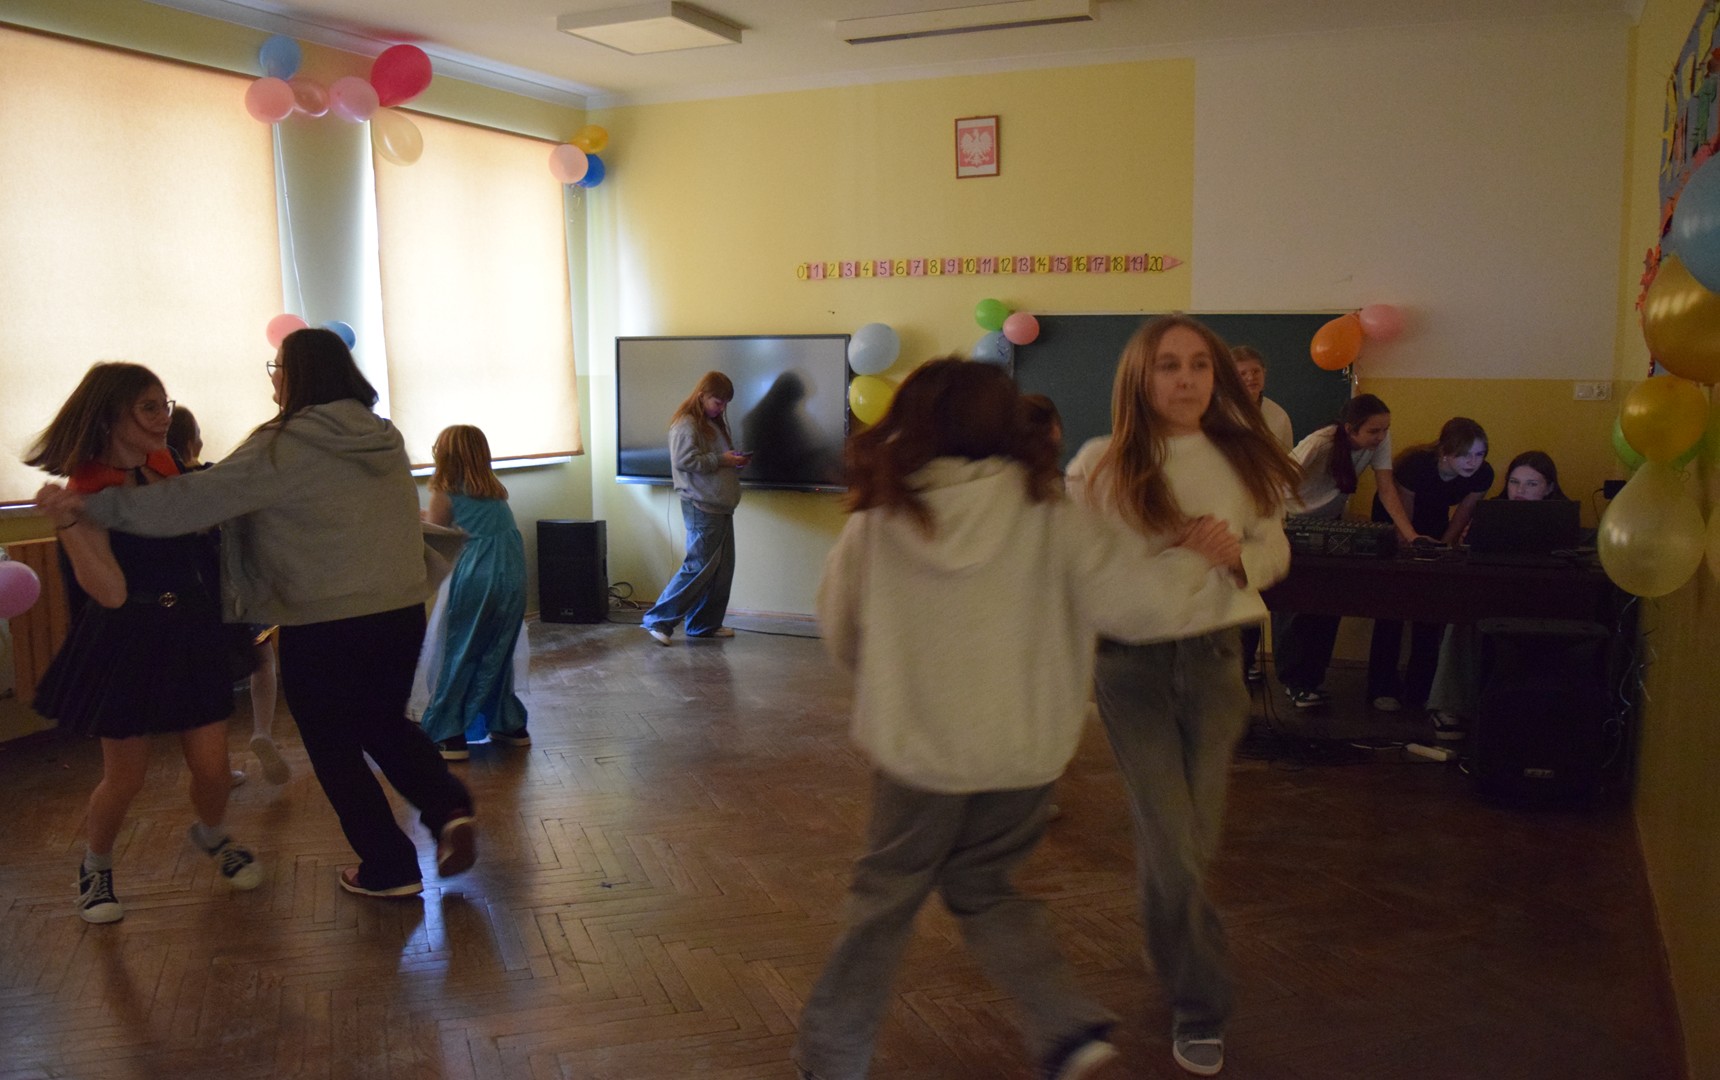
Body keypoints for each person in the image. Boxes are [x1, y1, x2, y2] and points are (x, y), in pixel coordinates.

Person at [794, 359, 1242, 1080]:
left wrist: (896, 689)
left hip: (918, 756)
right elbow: (1137, 606)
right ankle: (1063, 1026)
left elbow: (842, 632)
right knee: (985, 888)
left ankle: (831, 1058)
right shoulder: (1053, 516)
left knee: (883, 901)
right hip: (1025, 755)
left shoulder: (881, 520)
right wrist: (1191, 560)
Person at [46, 328, 476, 899]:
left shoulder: (281, 444)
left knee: (333, 746)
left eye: (277, 367)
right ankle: (449, 809)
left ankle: (390, 867)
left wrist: (90, 507)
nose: (274, 378)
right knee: (384, 723)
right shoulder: (383, 435)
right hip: (398, 611)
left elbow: (191, 503)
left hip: (321, 620)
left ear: (296, 375)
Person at [1066, 315, 1300, 1078]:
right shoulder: (1100, 466)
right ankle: (1201, 1005)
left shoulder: (1244, 456)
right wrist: (1181, 550)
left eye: (1200, 364)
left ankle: (1171, 947)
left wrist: (1239, 559)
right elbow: (1093, 583)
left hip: (1215, 665)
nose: (1187, 379)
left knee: (1188, 845)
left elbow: (1274, 546)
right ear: (1141, 377)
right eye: (1169, 365)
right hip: (1133, 672)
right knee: (1172, 845)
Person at [26, 363, 263, 924]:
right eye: (149, 408)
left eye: (164, 405)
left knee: (213, 769)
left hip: (191, 631)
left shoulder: (170, 467)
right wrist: (69, 526)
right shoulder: (86, 494)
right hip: (128, 640)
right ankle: (96, 866)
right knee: (125, 778)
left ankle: (212, 835)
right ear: (112, 417)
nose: (163, 418)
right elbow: (109, 593)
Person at [166, 405, 289, 786]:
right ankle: (262, 731)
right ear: (193, 441)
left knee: (205, 683)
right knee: (263, 659)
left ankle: (214, 766)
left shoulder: (162, 487)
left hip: (189, 596)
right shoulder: (212, 477)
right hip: (233, 590)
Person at [1270, 394, 1414, 709]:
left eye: (1385, 429)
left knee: (1328, 602)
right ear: (1350, 429)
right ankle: (1295, 682)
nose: (1381, 437)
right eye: (1374, 431)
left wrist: (1410, 534)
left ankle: (1312, 679)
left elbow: (1386, 489)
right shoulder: (1318, 444)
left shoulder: (1379, 441)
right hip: (1294, 524)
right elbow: (1276, 485)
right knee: (1295, 608)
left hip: (1330, 524)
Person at [1423, 451, 1565, 741]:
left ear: (1549, 488)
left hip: (1540, 602)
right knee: (1460, 621)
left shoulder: (1561, 518)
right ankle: (1450, 707)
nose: (1520, 491)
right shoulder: (1490, 514)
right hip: (1492, 596)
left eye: (1531, 484)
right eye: (1514, 482)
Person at [418, 424, 530, 761]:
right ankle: (508, 723)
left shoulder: (447, 490)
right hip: (512, 577)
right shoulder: (495, 492)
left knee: (462, 650)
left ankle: (448, 732)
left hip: (477, 577)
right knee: (498, 650)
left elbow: (438, 529)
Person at [1365, 417, 1492, 713]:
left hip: (1435, 518)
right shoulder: (1416, 465)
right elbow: (1404, 522)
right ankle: (1382, 687)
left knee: (1431, 606)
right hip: (1396, 518)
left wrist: (1442, 550)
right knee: (1392, 606)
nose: (1473, 462)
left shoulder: (1483, 474)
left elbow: (1462, 516)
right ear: (1445, 452)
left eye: (1479, 454)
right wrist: (1412, 544)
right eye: (1465, 454)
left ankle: (1420, 689)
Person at [642, 371, 750, 645]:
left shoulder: (711, 423)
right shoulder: (686, 424)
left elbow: (713, 459)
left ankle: (704, 624)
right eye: (717, 401)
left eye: (725, 403)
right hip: (702, 506)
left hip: (721, 506)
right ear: (702, 396)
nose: (721, 408)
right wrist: (723, 460)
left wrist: (732, 461)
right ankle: (659, 620)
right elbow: (684, 460)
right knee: (697, 567)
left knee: (721, 570)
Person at [1229, 346, 1293, 684]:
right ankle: (1232, 669)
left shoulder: (1278, 416)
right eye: (1242, 373)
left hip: (1264, 515)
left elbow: (1285, 466)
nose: (1250, 378)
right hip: (1227, 517)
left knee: (1256, 591)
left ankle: (1249, 663)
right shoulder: (1214, 412)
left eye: (1255, 371)